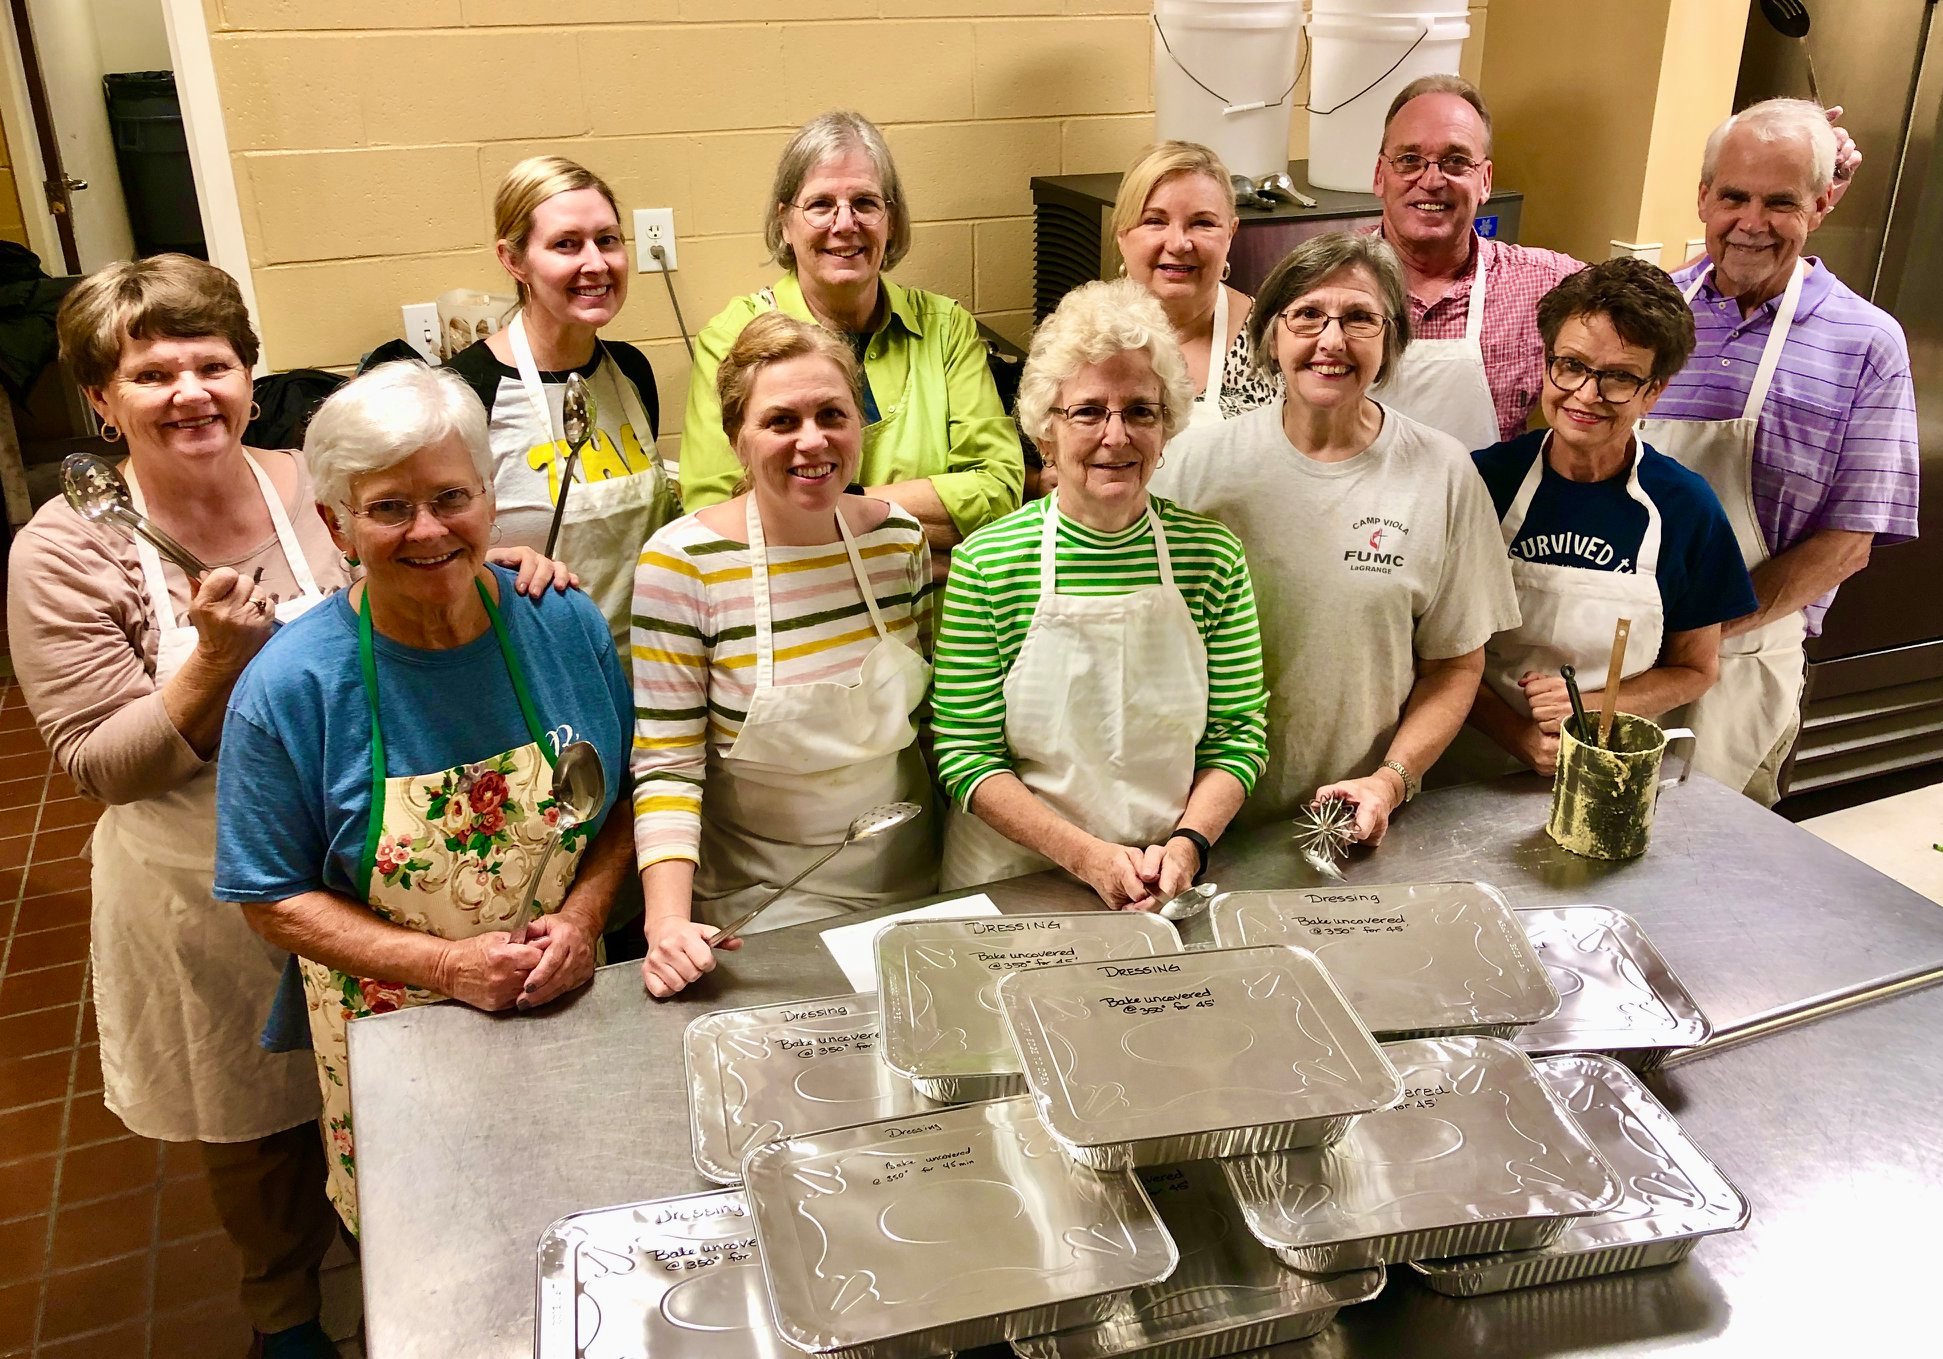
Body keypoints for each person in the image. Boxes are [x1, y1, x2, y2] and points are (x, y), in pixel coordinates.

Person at [5, 254, 339, 1358]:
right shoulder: (65, 548)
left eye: (214, 363)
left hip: (357, 861)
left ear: (249, 374)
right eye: (152, 373)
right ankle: (284, 1315)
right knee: (256, 1124)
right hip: (195, 888)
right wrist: (212, 665)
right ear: (102, 400)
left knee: (382, 1096)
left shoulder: (317, 486)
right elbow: (103, 764)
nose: (191, 392)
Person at [212, 362, 634, 1234]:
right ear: (334, 523)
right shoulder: (291, 687)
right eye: (390, 507)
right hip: (398, 1042)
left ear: (490, 495)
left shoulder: (562, 622)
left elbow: (627, 801)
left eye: (451, 497)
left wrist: (585, 921)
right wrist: (449, 966)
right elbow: (269, 897)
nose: (429, 530)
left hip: (569, 1006)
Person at [1151, 232, 1518, 843]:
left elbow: (1454, 665)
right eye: (1308, 315)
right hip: (1192, 818)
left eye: (1359, 318)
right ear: (1271, 333)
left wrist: (1391, 780)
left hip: (1355, 819)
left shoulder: (1443, 473)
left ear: (1392, 339)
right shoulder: (1193, 465)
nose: (1331, 340)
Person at [933, 279, 1269, 905]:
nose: (1116, 436)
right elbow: (964, 753)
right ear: (1045, 434)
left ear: (1166, 428)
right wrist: (1085, 856)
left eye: (1140, 410)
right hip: (1015, 879)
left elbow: (1238, 733)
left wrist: (1188, 844)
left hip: (1162, 877)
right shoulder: (989, 562)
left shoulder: (1211, 556)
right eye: (1088, 411)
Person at [632, 313, 935, 997]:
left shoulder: (899, 543)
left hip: (914, 881)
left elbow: (934, 726)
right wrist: (667, 924)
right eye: (780, 421)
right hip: (761, 905)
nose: (812, 441)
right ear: (737, 437)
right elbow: (668, 767)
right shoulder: (681, 565)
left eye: (833, 413)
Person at [1636, 99, 1919, 804]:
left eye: (1780, 201)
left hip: (1743, 664)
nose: (1751, 222)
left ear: (1821, 203)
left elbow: (1848, 543)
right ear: (1702, 195)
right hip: (1619, 644)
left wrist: (1703, 629)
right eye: (1732, 195)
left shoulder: (1866, 343)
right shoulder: (1649, 313)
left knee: (1707, 872)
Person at [1365, 75, 1861, 450]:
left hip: (1476, 542)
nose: (1431, 180)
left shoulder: (1542, 281)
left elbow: (1653, 297)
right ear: (1379, 174)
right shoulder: (1323, 285)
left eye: (1456, 162)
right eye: (1409, 159)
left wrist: (1785, 202)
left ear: (1486, 180)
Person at [678, 110, 1021, 576]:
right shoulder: (733, 339)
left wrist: (822, 505)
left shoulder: (945, 329)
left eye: (865, 202)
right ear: (785, 222)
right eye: (821, 204)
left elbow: (999, 494)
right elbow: (718, 518)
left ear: (891, 221)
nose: (845, 224)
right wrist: (928, 551)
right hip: (798, 621)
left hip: (936, 629)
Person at [1462, 258, 1758, 776]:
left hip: (1610, 766)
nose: (1586, 395)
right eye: (1571, 365)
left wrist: (1593, 706)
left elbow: (1695, 667)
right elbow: (1439, 654)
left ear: (1654, 390)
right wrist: (1519, 737)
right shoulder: (1481, 483)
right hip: (1470, 760)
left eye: (1619, 377)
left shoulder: (1686, 507)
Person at [446, 155, 676, 651]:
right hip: (537, 668)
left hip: (650, 667)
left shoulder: (631, 373)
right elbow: (439, 552)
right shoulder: (465, 391)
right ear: (513, 260)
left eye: (608, 240)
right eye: (566, 244)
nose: (596, 263)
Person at [1114, 140, 1279, 427]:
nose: (1178, 244)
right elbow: (1044, 461)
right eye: (1155, 220)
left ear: (1230, 233)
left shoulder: (1272, 339)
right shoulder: (1077, 337)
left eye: (1202, 223)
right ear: (1122, 234)